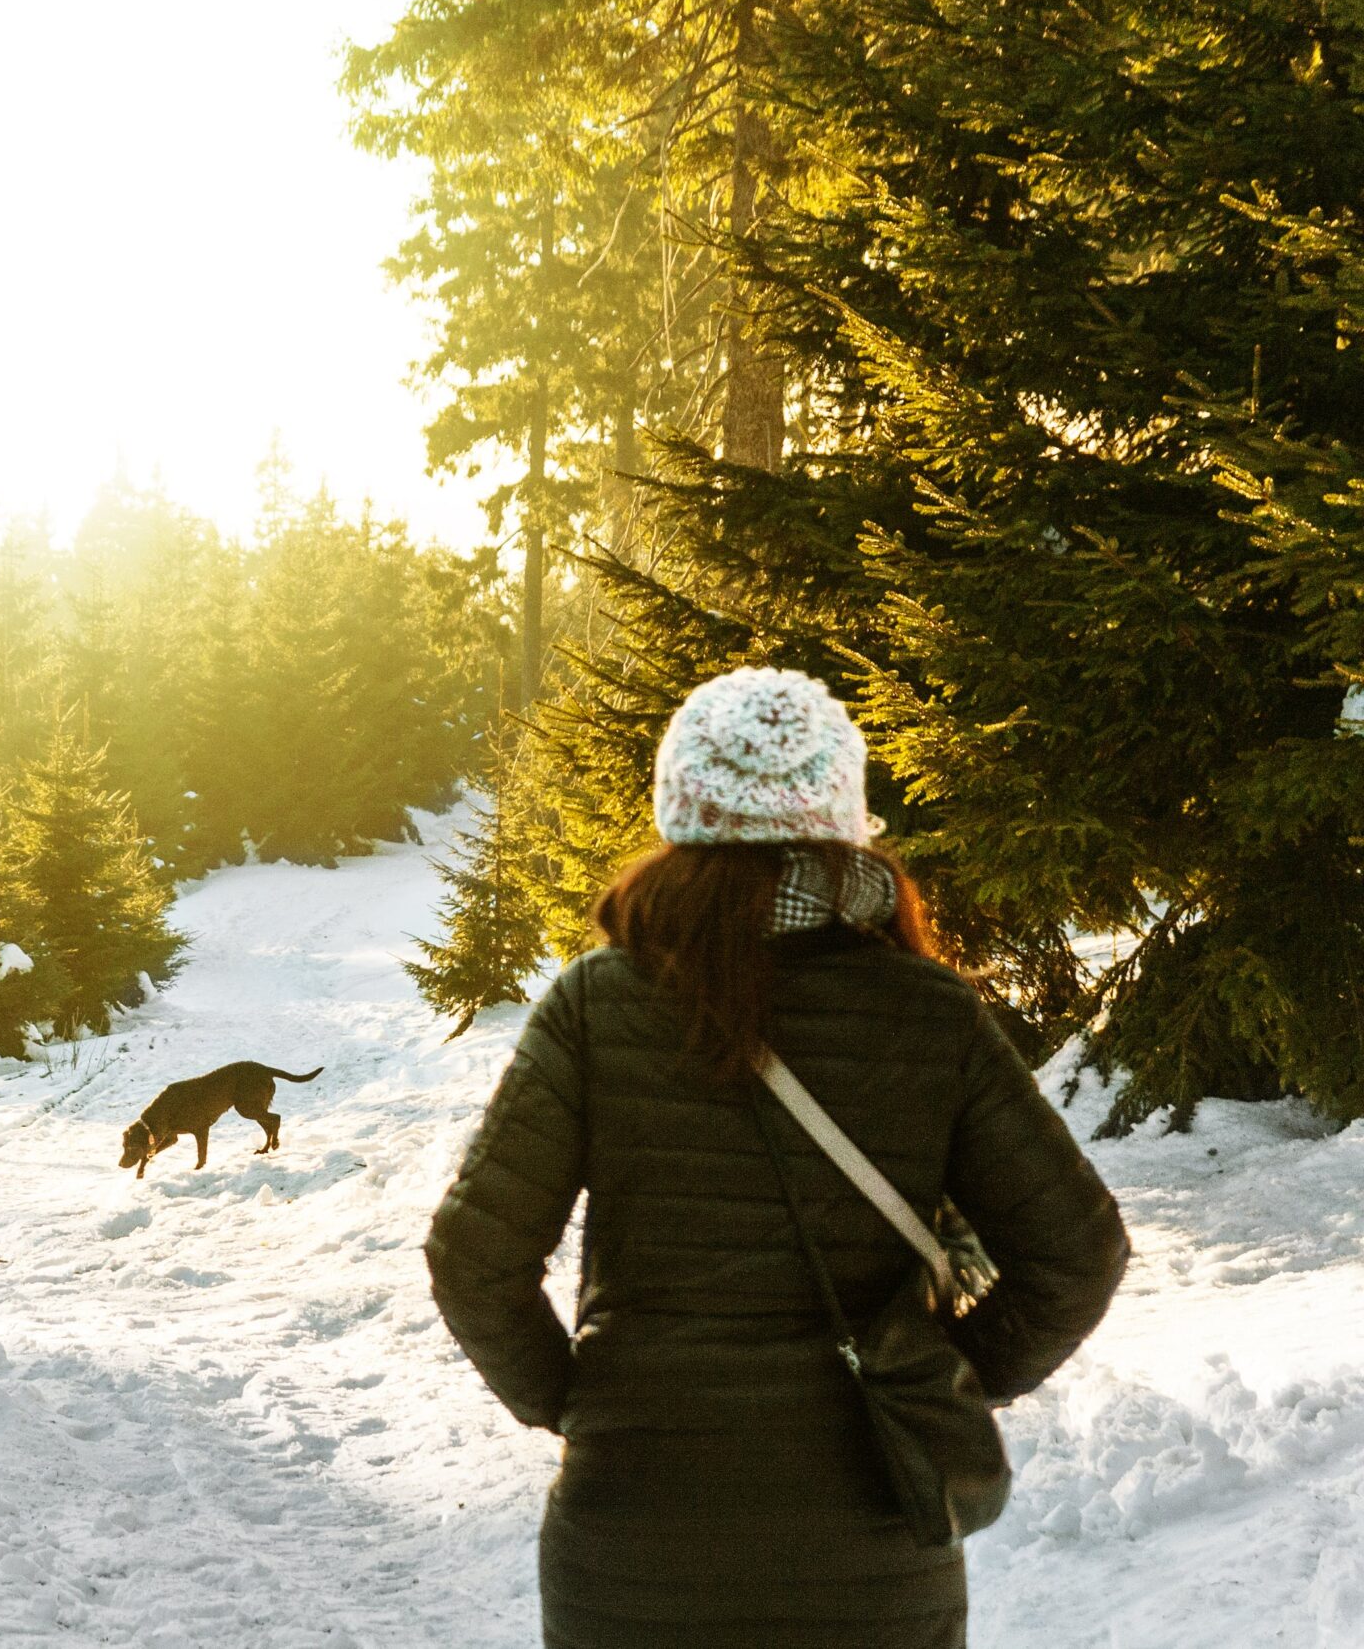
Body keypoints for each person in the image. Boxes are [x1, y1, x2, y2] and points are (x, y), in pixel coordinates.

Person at [426, 667, 1129, 1649]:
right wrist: (941, 1378)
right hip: (872, 1548)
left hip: (634, 1542)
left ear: (682, 811)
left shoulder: (595, 1003)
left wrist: (576, 1403)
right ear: (842, 819)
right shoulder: (929, 1013)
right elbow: (1076, 1255)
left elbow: (473, 1258)